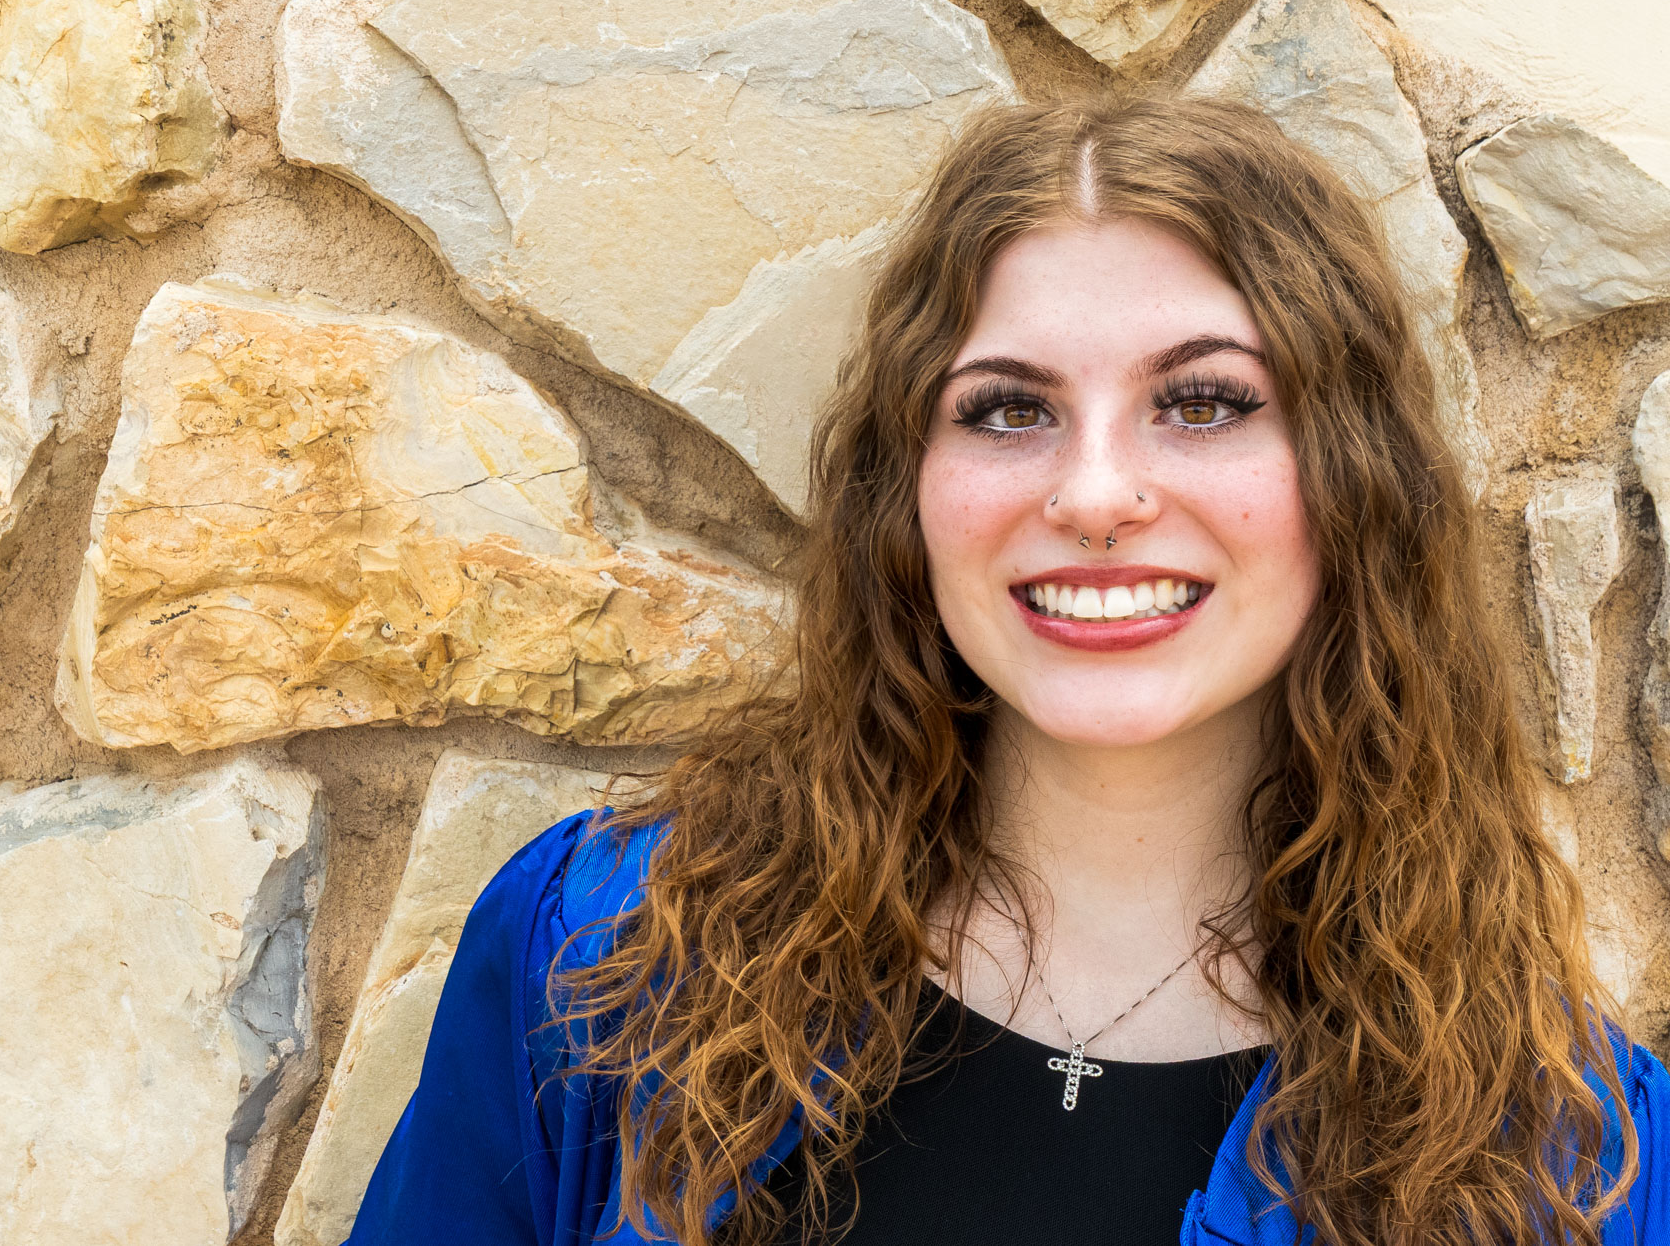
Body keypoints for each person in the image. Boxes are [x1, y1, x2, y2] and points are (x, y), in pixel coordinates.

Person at [344, 91, 1670, 1245]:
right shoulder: (605, 955)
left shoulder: (1577, 1157)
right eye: (1009, 408)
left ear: (1352, 483)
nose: (1097, 492)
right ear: (908, 492)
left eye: (1203, 400)